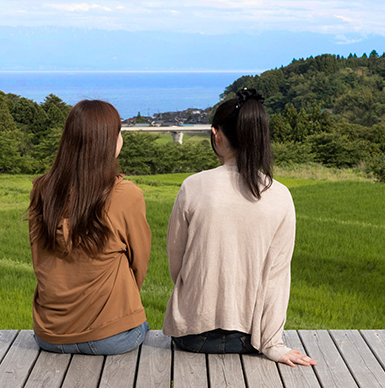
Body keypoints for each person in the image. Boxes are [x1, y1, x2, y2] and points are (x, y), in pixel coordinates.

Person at [163, 88, 316, 366]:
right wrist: (273, 345)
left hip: (190, 335)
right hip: (250, 338)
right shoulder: (280, 195)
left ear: (216, 134)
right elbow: (277, 277)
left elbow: (177, 264)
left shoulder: (193, 186)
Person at [28, 99, 152, 355]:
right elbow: (139, 263)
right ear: (110, 141)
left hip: (49, 337)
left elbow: (39, 260)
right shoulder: (126, 195)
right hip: (112, 337)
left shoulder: (42, 190)